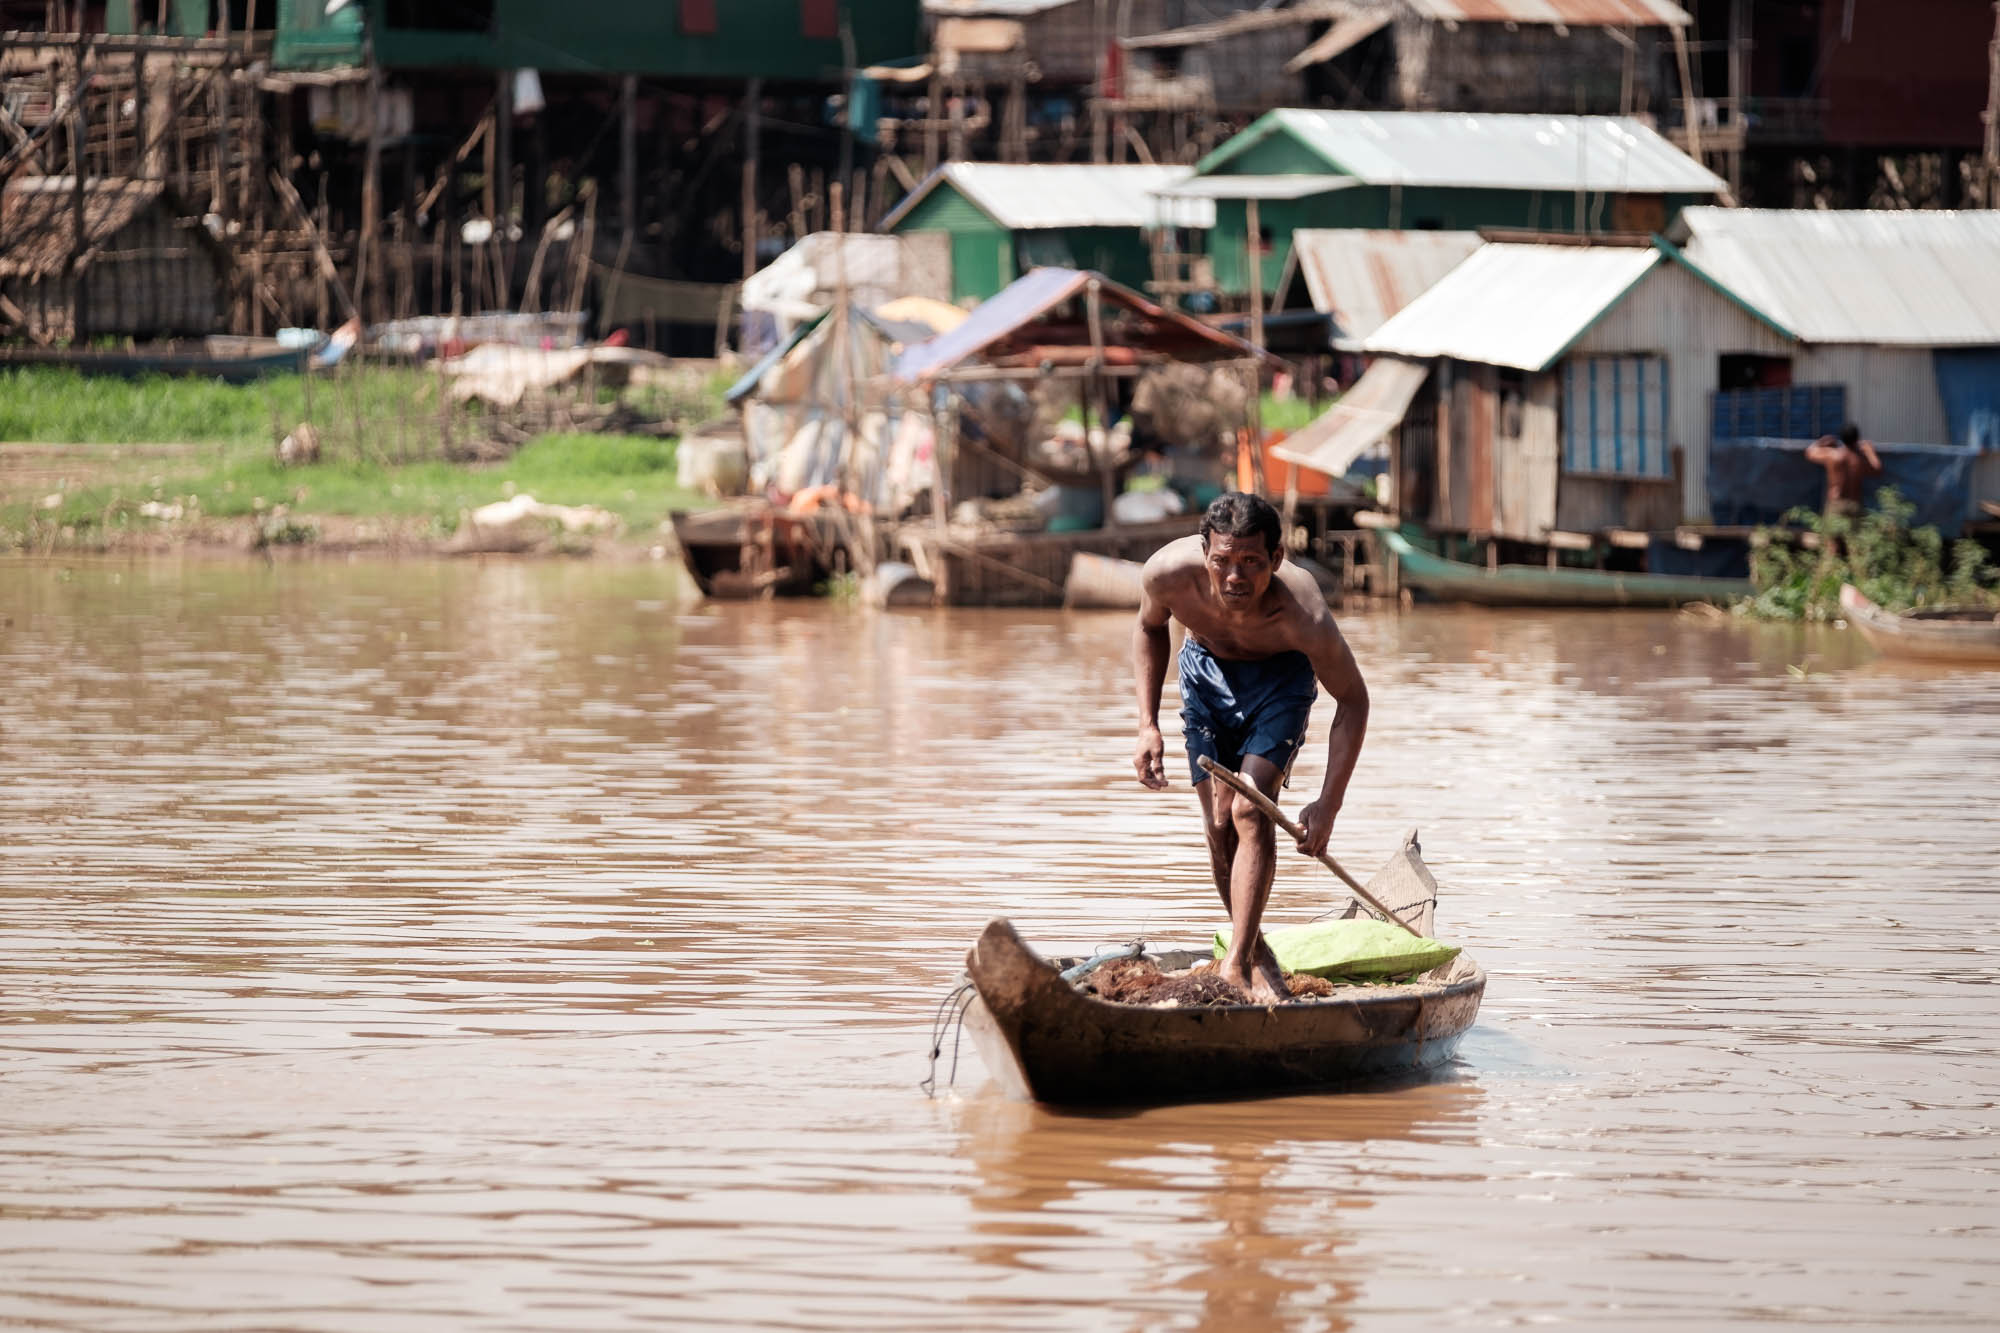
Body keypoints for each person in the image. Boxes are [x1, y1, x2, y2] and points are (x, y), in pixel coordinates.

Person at [1131, 492, 1370, 1003]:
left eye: (1251, 564)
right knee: (1219, 821)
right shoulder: (1168, 575)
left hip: (1280, 682)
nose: (1235, 578)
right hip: (1204, 673)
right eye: (1222, 562)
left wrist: (1329, 804)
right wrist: (1146, 723)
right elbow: (1150, 628)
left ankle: (1236, 965)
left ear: (1276, 561)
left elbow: (1353, 701)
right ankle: (1255, 955)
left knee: (1249, 809)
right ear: (1204, 553)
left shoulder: (1302, 612)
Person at [1805, 424, 1882, 519]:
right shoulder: (1859, 460)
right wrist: (1870, 451)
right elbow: (1877, 468)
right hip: (1854, 504)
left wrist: (1822, 442)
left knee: (1832, 534)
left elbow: (1809, 452)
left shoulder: (1832, 455)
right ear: (1857, 439)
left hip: (1836, 504)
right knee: (1854, 534)